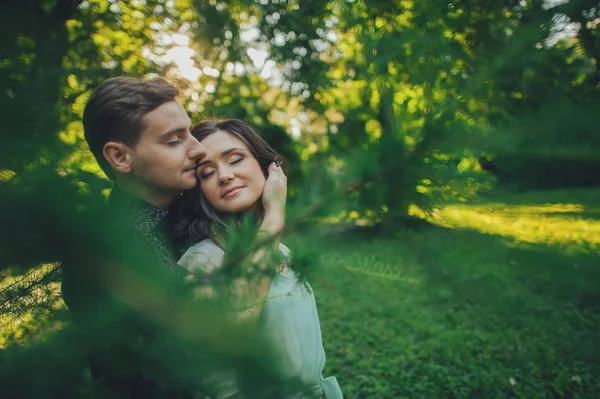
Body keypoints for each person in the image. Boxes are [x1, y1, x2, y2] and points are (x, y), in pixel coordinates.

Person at [60, 77, 285, 398]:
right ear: (120, 157)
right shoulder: (107, 254)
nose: (197, 149)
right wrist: (275, 216)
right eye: (174, 140)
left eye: (190, 132)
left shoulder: (192, 210)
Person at [172, 119, 344, 399]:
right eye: (207, 172)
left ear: (268, 167)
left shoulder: (282, 251)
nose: (224, 175)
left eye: (235, 159)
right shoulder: (204, 259)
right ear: (199, 191)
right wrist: (274, 213)